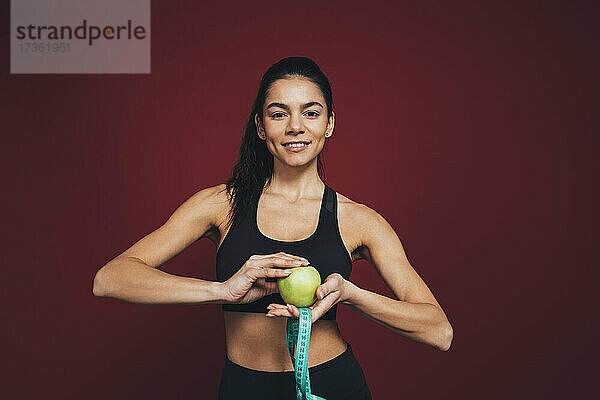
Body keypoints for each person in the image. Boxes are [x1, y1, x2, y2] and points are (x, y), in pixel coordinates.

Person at [93, 56, 453, 400]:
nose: (295, 126)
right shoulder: (221, 204)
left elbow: (439, 330)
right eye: (279, 114)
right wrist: (223, 291)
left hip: (331, 384)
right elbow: (110, 278)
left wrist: (350, 294)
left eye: (310, 113)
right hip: (243, 388)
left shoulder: (358, 220)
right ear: (261, 127)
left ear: (329, 123)